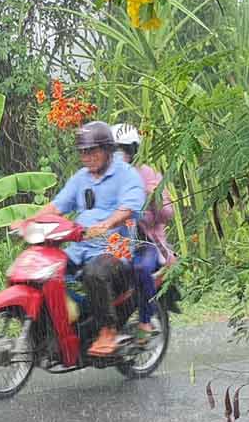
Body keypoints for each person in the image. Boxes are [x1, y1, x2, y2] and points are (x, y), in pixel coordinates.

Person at [23, 121, 147, 356]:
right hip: (81, 247)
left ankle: (108, 331)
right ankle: (58, 329)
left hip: (114, 249)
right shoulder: (81, 178)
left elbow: (130, 207)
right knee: (45, 271)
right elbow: (57, 206)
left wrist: (108, 223)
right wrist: (30, 222)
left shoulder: (126, 175)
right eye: (82, 152)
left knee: (94, 273)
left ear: (107, 149)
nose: (86, 157)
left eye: (91, 151)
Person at [113, 123, 175, 335]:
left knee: (139, 269)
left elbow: (168, 214)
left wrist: (153, 197)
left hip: (145, 244)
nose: (117, 155)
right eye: (112, 150)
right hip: (115, 244)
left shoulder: (146, 174)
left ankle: (145, 321)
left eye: (121, 150)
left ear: (132, 151)